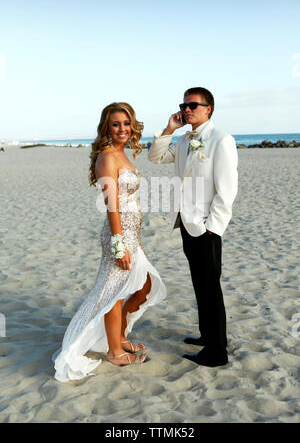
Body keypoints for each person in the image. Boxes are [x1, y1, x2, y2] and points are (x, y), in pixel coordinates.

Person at [52, 102, 166, 381]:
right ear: (106, 127)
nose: (122, 129)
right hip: (118, 235)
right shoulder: (107, 157)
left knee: (145, 285)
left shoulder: (122, 153)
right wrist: (119, 244)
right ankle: (115, 351)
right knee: (113, 293)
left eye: (126, 123)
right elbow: (111, 205)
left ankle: (119, 335)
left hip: (132, 234)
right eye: (116, 124)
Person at [148, 87, 238, 367]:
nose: (187, 110)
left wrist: (214, 226)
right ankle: (208, 336)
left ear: (208, 108)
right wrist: (170, 128)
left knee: (211, 288)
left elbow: (227, 189)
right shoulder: (186, 140)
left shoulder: (220, 140)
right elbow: (155, 156)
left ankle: (216, 352)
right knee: (201, 285)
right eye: (184, 105)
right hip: (186, 223)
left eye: (193, 105)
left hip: (206, 227)